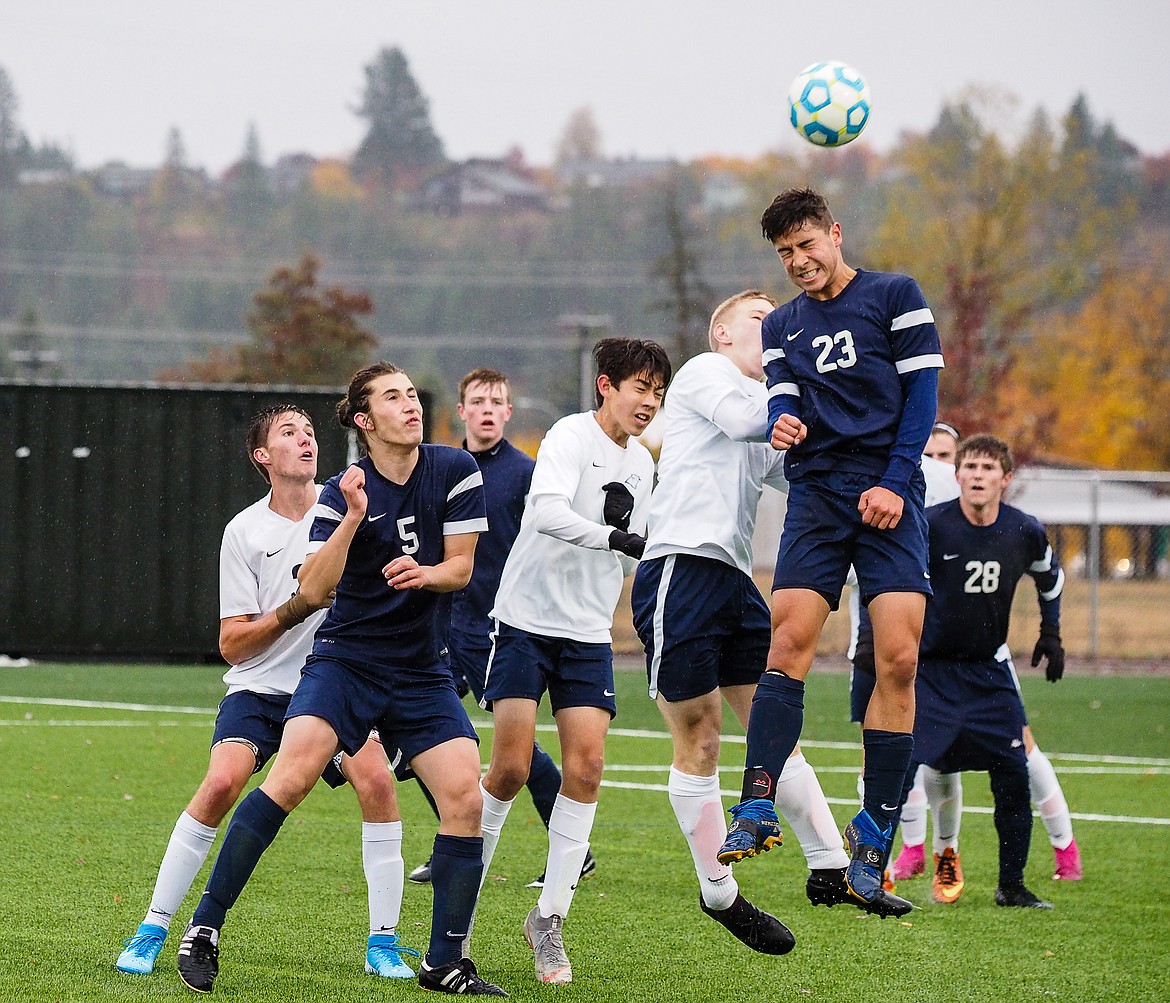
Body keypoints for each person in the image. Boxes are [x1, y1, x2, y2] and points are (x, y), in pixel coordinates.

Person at [174, 365, 507, 996]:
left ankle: (444, 962)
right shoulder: (338, 493)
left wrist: (425, 573)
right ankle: (205, 927)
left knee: (465, 797)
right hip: (346, 661)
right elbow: (316, 590)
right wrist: (354, 517)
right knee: (290, 778)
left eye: (411, 393)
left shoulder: (455, 469)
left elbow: (461, 569)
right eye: (392, 397)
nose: (410, 404)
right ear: (364, 421)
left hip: (419, 671)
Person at [115, 404, 412, 981]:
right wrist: (297, 608)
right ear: (262, 456)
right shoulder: (244, 531)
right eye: (288, 433)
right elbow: (233, 644)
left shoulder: (353, 506)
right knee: (222, 781)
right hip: (261, 689)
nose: (306, 441)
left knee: (376, 781)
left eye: (309, 432)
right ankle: (153, 924)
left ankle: (384, 943)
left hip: (333, 686)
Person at [717, 187, 944, 920]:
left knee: (899, 657)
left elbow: (923, 398)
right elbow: (783, 390)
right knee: (789, 641)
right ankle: (756, 803)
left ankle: (873, 836)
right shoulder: (782, 323)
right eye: (784, 253)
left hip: (889, 491)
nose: (798, 261)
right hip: (817, 496)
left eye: (806, 245)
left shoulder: (894, 295)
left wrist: (892, 481)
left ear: (835, 234)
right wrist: (782, 420)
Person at [632, 290, 867, 957]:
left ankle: (831, 866)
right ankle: (718, 891)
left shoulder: (768, 399)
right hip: (680, 569)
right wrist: (807, 394)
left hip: (733, 581)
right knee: (699, 739)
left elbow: (799, 466)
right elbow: (748, 424)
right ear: (722, 333)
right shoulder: (711, 376)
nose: (774, 329)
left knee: (770, 723)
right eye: (761, 319)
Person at [476, 338, 671, 985]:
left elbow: (637, 546)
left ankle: (548, 917)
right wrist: (612, 533)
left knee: (585, 768)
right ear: (606, 386)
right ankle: (462, 897)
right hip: (527, 621)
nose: (649, 402)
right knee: (506, 769)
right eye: (640, 387)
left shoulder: (643, 464)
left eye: (659, 393)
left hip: (587, 631)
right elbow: (548, 511)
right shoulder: (566, 436)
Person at [408, 369, 595, 889]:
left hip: (496, 625)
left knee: (518, 749)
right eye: (477, 401)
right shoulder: (441, 467)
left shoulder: (526, 473)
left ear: (509, 413)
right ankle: (453, 835)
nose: (487, 409)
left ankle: (571, 849)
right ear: (461, 411)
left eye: (497, 402)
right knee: (423, 732)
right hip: (441, 622)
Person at [906, 433, 1065, 909]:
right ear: (956, 475)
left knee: (1013, 774)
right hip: (933, 670)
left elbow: (1050, 577)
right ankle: (876, 870)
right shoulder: (932, 525)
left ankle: (1011, 886)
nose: (978, 476)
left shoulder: (1024, 529)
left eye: (988, 469)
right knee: (906, 767)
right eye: (969, 467)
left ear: (1005, 479)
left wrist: (1051, 634)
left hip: (990, 672)